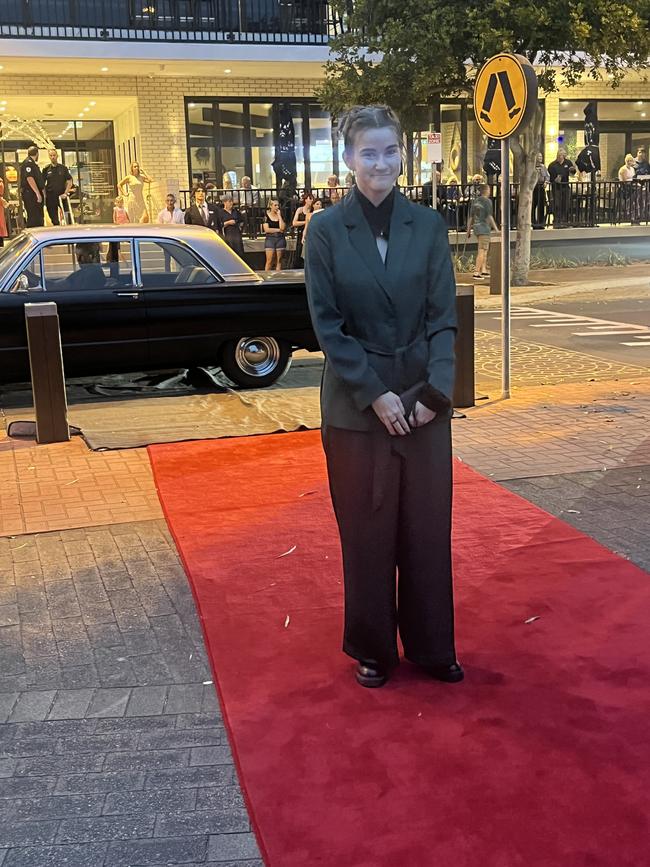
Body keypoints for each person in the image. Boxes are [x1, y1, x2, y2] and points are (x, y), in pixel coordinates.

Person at [304, 104, 462, 689]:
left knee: (425, 531)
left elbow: (443, 319)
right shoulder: (324, 230)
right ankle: (373, 647)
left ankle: (432, 646)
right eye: (367, 152)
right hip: (355, 410)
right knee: (368, 535)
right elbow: (328, 325)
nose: (380, 163)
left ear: (404, 154)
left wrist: (434, 394)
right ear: (347, 159)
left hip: (424, 406)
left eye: (390, 151)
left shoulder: (428, 226)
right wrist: (375, 395)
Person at [466, 184, 498, 279]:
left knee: (485, 250)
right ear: (487, 190)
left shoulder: (475, 201)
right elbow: (489, 216)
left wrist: (468, 230)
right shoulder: (487, 201)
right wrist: (496, 228)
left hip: (476, 227)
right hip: (484, 228)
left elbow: (471, 217)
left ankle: (483, 270)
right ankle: (476, 272)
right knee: (482, 250)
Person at [42, 148, 74, 227]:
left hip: (62, 196)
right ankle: (56, 229)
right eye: (51, 155)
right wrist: (44, 195)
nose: (53, 157)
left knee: (67, 215)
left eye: (54, 155)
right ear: (49, 157)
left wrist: (65, 193)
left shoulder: (63, 168)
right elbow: (42, 184)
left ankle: (69, 231)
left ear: (57, 156)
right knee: (54, 219)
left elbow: (69, 181)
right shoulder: (46, 169)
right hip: (50, 197)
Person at [547, 149, 576, 228]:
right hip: (556, 187)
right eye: (560, 155)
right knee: (557, 204)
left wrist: (572, 170)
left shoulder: (568, 162)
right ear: (557, 156)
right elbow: (549, 177)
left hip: (565, 186)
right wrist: (555, 179)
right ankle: (557, 220)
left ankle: (565, 221)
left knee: (565, 204)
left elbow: (572, 173)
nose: (561, 157)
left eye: (562, 155)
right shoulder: (552, 165)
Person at [20, 144, 45, 228]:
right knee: (34, 218)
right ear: (37, 154)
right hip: (31, 194)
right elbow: (30, 178)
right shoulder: (28, 163)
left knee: (38, 217)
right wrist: (37, 193)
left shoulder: (32, 163)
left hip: (32, 194)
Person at [262, 198, 286, 270]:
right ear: (271, 206)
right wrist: (278, 230)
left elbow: (282, 228)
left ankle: (278, 277)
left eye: (278, 205)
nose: (277, 207)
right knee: (269, 260)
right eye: (275, 205)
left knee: (279, 261)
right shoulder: (266, 216)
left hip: (280, 238)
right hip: (270, 238)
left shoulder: (280, 215)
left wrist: (279, 216)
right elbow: (267, 229)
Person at [292, 192, 314, 265]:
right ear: (305, 200)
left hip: (310, 232)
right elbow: (294, 223)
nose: (311, 200)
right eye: (310, 199)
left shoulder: (312, 210)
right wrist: (306, 222)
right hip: (301, 231)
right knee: (300, 250)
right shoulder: (300, 210)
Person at [532, 153, 550, 229]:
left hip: (541, 187)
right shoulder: (532, 167)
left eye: (541, 156)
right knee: (533, 206)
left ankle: (541, 223)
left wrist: (546, 182)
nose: (540, 158)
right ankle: (534, 223)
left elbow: (547, 176)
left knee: (541, 205)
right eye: (538, 156)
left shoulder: (543, 167)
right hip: (533, 188)